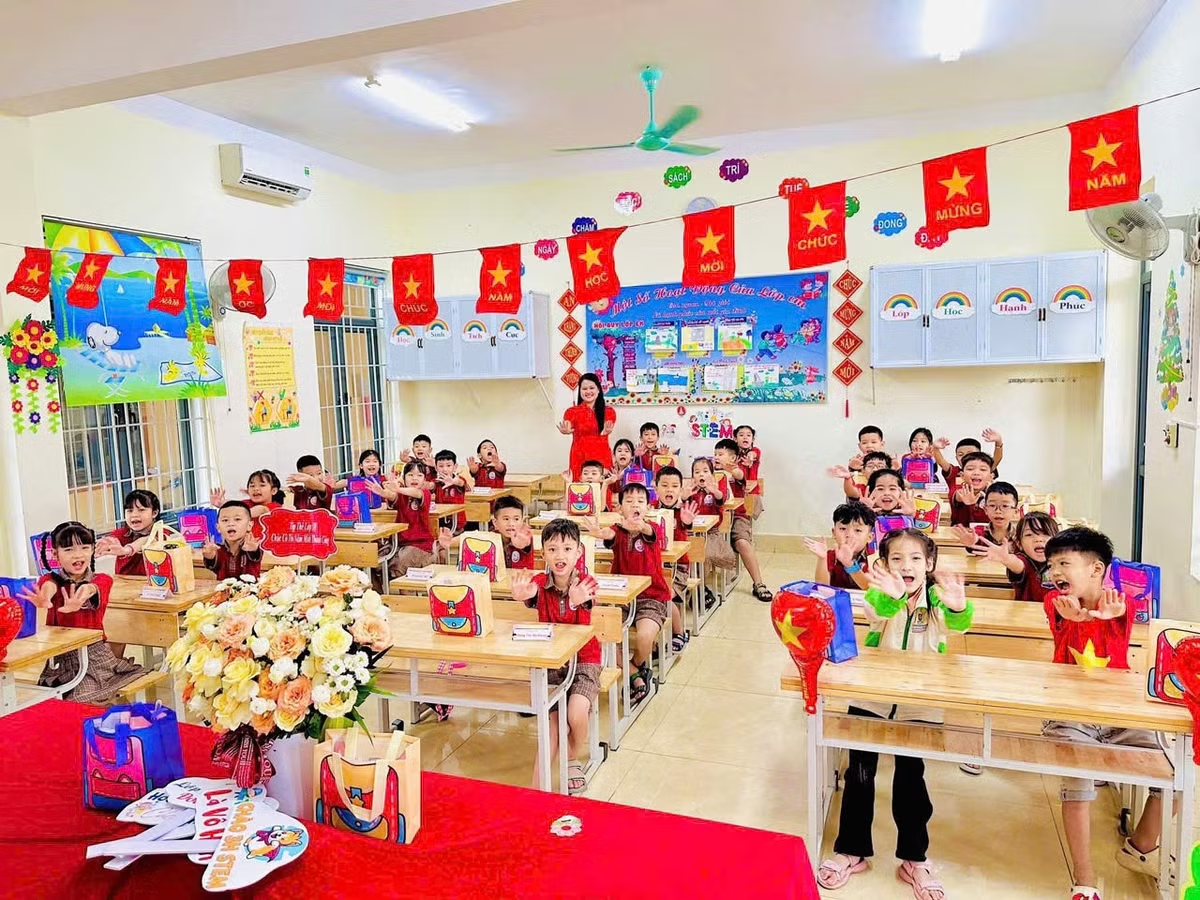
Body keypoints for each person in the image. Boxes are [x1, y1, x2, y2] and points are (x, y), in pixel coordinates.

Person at [817, 528, 972, 897]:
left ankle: (914, 859)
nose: (906, 566)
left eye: (916, 558)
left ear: (929, 564)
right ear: (884, 565)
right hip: (870, 697)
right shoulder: (879, 594)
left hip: (920, 704)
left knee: (911, 781)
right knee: (859, 774)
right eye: (897, 559)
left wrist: (957, 606)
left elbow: (959, 625)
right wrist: (895, 595)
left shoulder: (936, 599)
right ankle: (851, 850)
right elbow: (878, 611)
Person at [1039, 527, 1167, 899]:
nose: (1055, 572)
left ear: (1096, 569)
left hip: (1118, 712)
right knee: (1077, 786)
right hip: (1069, 711)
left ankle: (1140, 847)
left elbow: (1123, 615)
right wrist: (1081, 621)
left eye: (1064, 563)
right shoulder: (1055, 602)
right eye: (1051, 565)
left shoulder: (1122, 602)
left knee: (1175, 773)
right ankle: (1084, 879)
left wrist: (1105, 616)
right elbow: (1065, 623)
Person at [510, 518, 601, 795]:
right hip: (552, 663)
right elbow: (531, 592)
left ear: (578, 552)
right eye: (552, 549)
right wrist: (522, 595)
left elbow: (583, 606)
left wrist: (575, 601)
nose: (560, 555)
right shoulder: (540, 582)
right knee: (552, 724)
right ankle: (536, 791)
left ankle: (572, 757)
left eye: (567, 549)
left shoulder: (586, 583)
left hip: (584, 660)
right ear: (544, 553)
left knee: (576, 712)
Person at [20, 521, 144, 704]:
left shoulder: (103, 579)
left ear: (92, 549)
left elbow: (90, 589)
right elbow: (49, 586)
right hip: (59, 660)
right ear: (55, 554)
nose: (77, 555)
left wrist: (81, 595)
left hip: (94, 658)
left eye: (84, 548)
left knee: (76, 701)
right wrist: (45, 598)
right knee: (48, 702)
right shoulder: (50, 579)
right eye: (68, 549)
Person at [583, 483, 672, 705]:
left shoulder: (653, 528)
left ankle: (637, 665)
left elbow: (648, 531)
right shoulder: (618, 530)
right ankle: (636, 674)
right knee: (602, 635)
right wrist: (598, 532)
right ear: (619, 508)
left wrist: (639, 525)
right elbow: (608, 533)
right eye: (629, 502)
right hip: (621, 599)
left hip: (652, 598)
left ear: (648, 507)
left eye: (640, 501)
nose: (635, 505)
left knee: (644, 637)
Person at [714, 438, 772, 602]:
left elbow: (739, 475)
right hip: (716, 519)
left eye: (721, 454)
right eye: (715, 454)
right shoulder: (711, 473)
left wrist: (732, 469)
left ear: (732, 458)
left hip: (737, 516)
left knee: (743, 543)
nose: (716, 457)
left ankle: (758, 583)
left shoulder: (736, 472)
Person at [654, 465, 696, 653]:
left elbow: (687, 524)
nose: (669, 490)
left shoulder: (683, 511)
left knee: (663, 594)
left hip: (678, 567)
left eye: (674, 486)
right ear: (656, 488)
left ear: (680, 490)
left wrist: (686, 522)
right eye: (664, 485)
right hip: (654, 566)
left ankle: (679, 632)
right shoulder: (650, 509)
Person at [981, 511, 1059, 604]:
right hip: (1026, 612)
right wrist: (1006, 559)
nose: (1038, 539)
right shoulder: (1025, 560)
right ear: (1019, 543)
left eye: (1045, 533)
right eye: (1029, 534)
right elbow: (1017, 564)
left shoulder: (1062, 561)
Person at [805, 501, 876, 590]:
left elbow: (870, 589)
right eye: (843, 528)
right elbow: (822, 588)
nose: (849, 535)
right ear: (834, 533)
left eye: (857, 530)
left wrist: (850, 565)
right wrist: (822, 559)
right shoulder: (830, 556)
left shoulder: (874, 558)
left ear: (870, 537)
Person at [558, 373, 616, 480]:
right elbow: (568, 424)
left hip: (601, 455)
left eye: (591, 388)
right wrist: (566, 430)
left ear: (598, 390)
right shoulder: (572, 412)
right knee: (580, 487)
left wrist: (605, 433)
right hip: (579, 457)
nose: (588, 391)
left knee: (603, 486)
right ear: (580, 391)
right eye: (584, 389)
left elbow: (605, 430)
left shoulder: (609, 411)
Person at [387, 461, 440, 576]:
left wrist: (398, 489)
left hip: (420, 544)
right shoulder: (401, 494)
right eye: (410, 475)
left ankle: (402, 589)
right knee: (376, 561)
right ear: (404, 478)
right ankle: (382, 588)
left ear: (424, 480)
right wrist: (382, 491)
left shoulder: (425, 493)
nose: (414, 478)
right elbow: (392, 496)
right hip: (398, 542)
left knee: (400, 563)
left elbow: (415, 492)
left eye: (419, 475)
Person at [95, 489, 161, 576]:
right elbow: (110, 540)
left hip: (154, 582)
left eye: (141, 510)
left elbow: (148, 540)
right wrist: (103, 545)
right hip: (124, 581)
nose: (134, 515)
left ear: (154, 513)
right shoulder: (123, 533)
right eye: (130, 510)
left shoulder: (161, 532)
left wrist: (127, 550)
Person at [212, 470, 285, 541]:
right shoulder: (246, 503)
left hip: (266, 546)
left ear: (273, 491)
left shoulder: (276, 508)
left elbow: (261, 509)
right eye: (252, 486)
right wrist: (221, 503)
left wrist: (240, 512)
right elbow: (234, 505)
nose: (256, 489)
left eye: (262, 485)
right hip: (245, 545)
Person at [951, 481, 1020, 556]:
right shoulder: (979, 531)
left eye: (1005, 506)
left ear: (1016, 512)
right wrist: (972, 542)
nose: (998, 511)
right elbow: (975, 541)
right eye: (992, 505)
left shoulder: (1020, 536)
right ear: (985, 509)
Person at [202, 501, 263, 580]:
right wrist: (210, 557)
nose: (230, 524)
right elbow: (212, 567)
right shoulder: (218, 549)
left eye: (237, 519)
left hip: (250, 587)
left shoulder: (252, 546)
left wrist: (253, 550)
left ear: (249, 525)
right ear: (218, 527)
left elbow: (256, 556)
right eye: (225, 520)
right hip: (224, 587)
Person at [932, 430, 1004, 496]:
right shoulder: (953, 472)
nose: (965, 456)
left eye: (970, 453)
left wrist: (998, 442)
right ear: (956, 458)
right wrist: (935, 448)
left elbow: (996, 460)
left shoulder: (985, 471)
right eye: (960, 454)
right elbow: (941, 461)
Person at [949, 452, 995, 526]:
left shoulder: (994, 493)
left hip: (987, 532)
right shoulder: (959, 490)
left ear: (991, 476)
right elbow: (958, 495)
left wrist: (993, 496)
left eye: (983, 469)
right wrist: (966, 499)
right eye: (970, 469)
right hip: (960, 532)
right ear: (962, 475)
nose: (976, 473)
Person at [491, 495, 535, 570]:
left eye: (516, 519)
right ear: (495, 523)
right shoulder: (491, 539)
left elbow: (525, 543)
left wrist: (524, 544)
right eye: (506, 519)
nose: (511, 524)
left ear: (522, 521)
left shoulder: (524, 536)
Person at [433, 449, 469, 533]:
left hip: (457, 525)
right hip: (441, 523)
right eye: (441, 466)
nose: (445, 469)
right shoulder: (437, 482)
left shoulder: (459, 479)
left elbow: (461, 483)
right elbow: (430, 485)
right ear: (436, 468)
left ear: (455, 467)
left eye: (448, 465)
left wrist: (453, 481)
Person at [734, 424, 764, 516]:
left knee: (745, 516)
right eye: (741, 435)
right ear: (735, 439)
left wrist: (750, 457)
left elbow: (753, 453)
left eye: (748, 435)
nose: (745, 437)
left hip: (751, 493)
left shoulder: (755, 451)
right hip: (736, 493)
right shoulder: (732, 455)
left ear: (752, 439)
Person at [604, 439, 636, 511]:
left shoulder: (636, 471)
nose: (623, 454)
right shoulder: (610, 471)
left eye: (626, 451)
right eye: (619, 451)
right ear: (614, 455)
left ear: (632, 456)